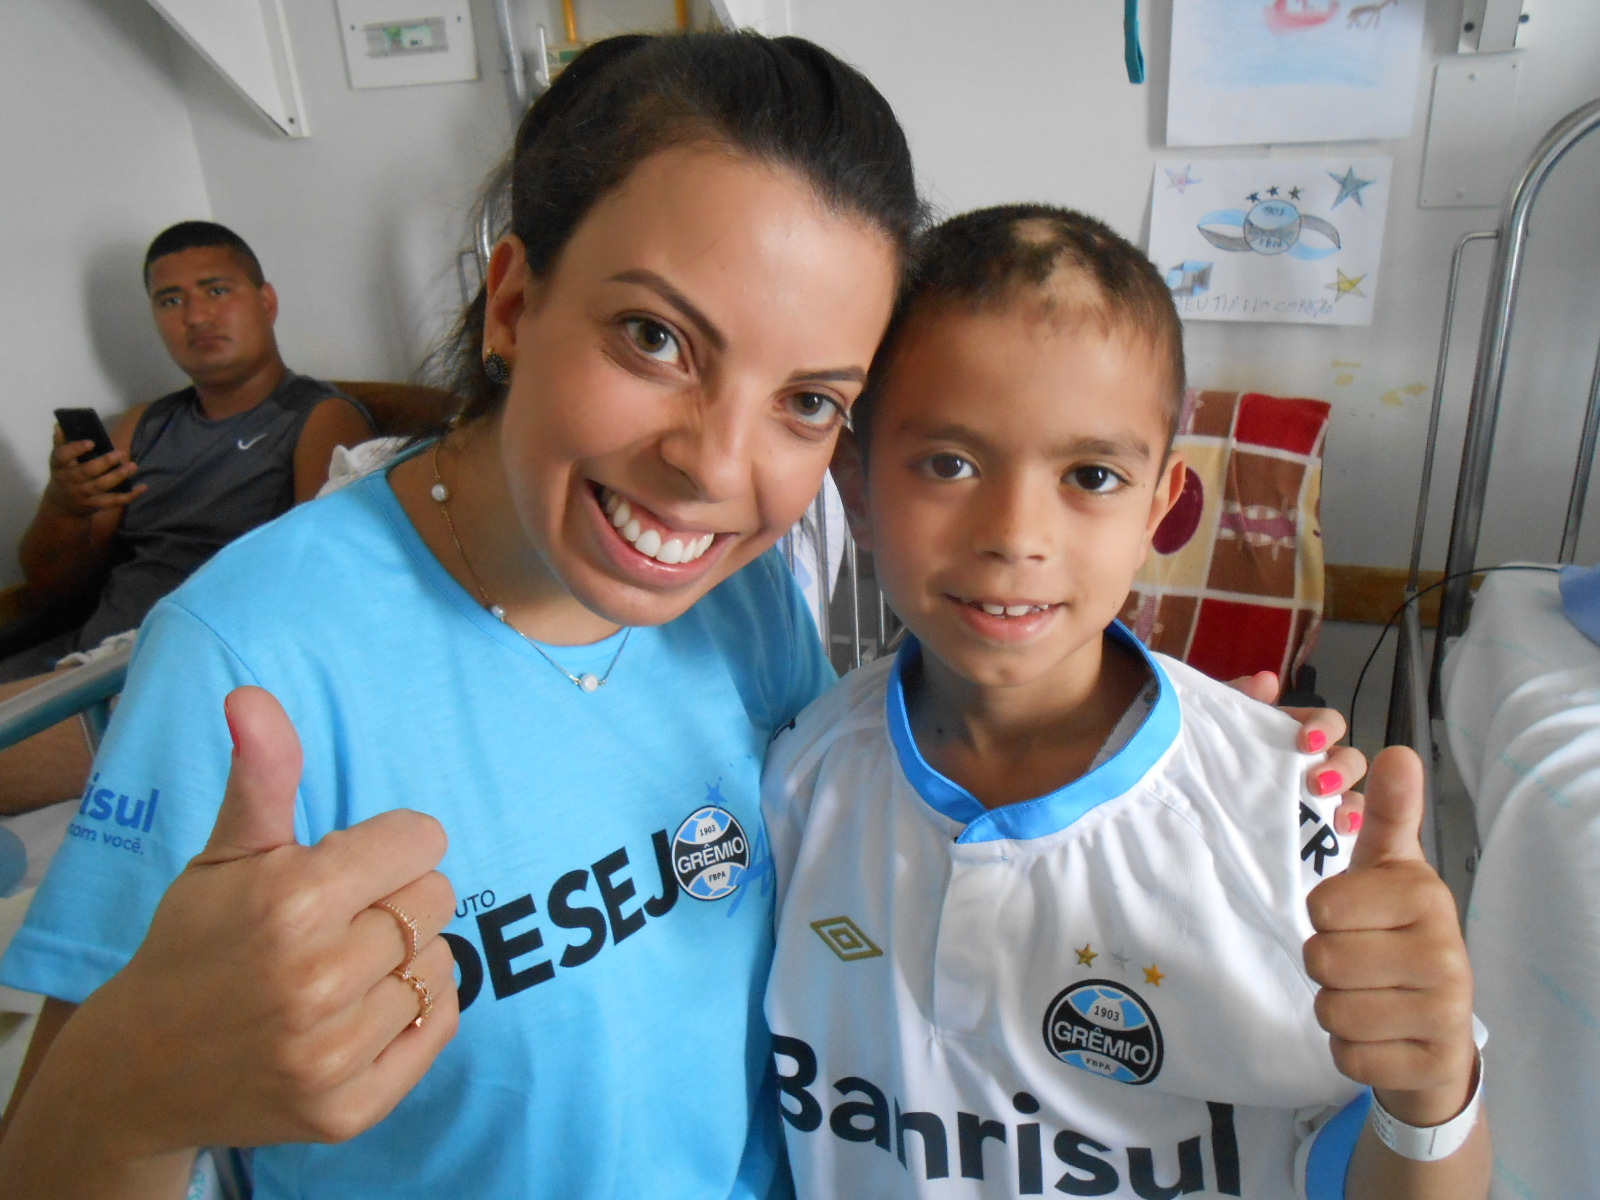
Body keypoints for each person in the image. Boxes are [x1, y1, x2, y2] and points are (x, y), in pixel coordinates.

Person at [0, 36, 1366, 1200]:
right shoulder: (256, 662)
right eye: (657, 340)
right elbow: (62, 1144)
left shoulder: (735, 592)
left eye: (809, 399)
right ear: (517, 301)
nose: (716, 469)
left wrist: (1213, 783)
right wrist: (135, 1090)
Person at [761, 206, 1487, 1199]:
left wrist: (1432, 1093)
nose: (1016, 533)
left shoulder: (1292, 817)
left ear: (1158, 506)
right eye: (947, 463)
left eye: (1090, 475)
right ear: (855, 480)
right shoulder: (796, 780)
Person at [0, 222, 376, 815]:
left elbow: (313, 592)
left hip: (163, 678)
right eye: (171, 301)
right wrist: (65, 503)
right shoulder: (140, 428)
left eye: (216, 290)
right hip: (78, 657)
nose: (196, 316)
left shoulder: (319, 420)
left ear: (266, 302)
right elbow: (52, 586)